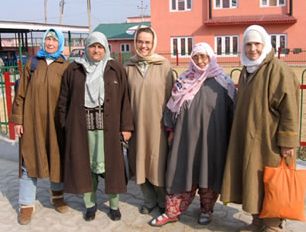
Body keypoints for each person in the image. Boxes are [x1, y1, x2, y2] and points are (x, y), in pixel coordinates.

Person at [221, 25, 300, 232]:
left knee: (273, 183)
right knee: (253, 181)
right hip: (249, 140)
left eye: (257, 44)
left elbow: (289, 108)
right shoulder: (246, 70)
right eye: (248, 44)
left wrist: (287, 142)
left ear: (265, 45)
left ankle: (273, 226)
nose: (253, 49)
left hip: (271, 141)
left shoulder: (278, 69)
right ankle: (257, 222)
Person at [149, 42, 237, 227]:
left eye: (204, 57)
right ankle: (172, 212)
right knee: (179, 171)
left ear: (211, 57)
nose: (200, 61)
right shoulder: (184, 80)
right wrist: (171, 131)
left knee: (209, 172)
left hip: (212, 140)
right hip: (185, 139)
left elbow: (233, 112)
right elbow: (172, 108)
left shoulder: (224, 83)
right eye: (196, 57)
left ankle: (207, 209)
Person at [58, 31, 134, 222]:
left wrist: (126, 127)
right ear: (86, 47)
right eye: (93, 46)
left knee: (111, 168)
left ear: (106, 48)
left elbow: (125, 100)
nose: (96, 50)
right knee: (87, 168)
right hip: (81, 129)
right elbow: (63, 100)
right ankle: (90, 206)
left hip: (108, 129)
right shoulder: (74, 69)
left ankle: (114, 206)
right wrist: (65, 124)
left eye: (100, 46)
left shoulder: (115, 69)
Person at [9, 29, 70, 225]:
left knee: (56, 158)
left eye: (54, 40)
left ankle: (57, 196)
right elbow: (21, 94)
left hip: (55, 125)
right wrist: (18, 120)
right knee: (29, 161)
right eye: (48, 39)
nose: (50, 43)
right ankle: (26, 205)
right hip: (32, 122)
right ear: (43, 42)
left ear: (60, 43)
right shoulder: (32, 64)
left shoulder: (66, 67)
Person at [124, 26, 174, 215]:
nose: (143, 46)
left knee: (158, 163)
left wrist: (171, 127)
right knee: (140, 162)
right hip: (135, 126)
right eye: (140, 41)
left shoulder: (164, 66)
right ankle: (149, 200)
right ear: (135, 42)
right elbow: (124, 100)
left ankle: (162, 200)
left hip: (158, 126)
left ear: (153, 44)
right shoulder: (128, 67)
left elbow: (172, 99)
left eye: (147, 42)